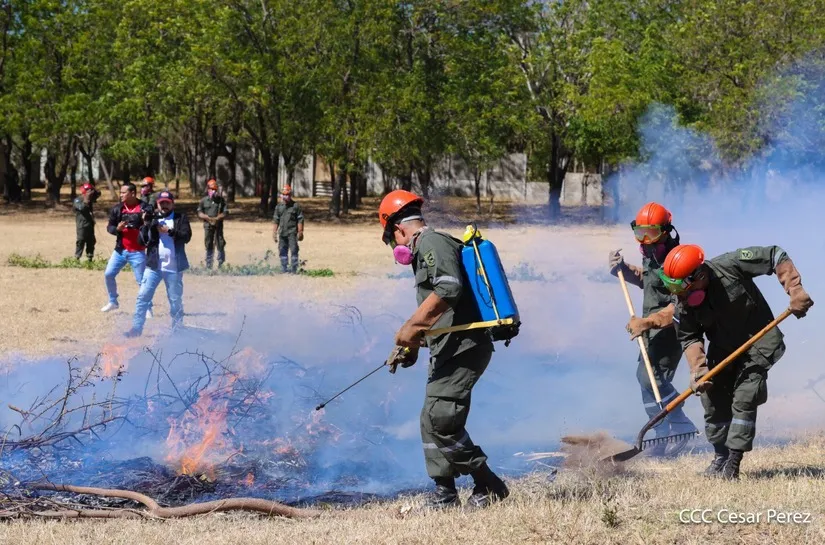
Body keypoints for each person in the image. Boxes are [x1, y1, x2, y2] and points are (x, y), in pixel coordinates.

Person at [379, 189, 509, 510]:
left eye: (391, 239)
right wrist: (413, 345)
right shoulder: (425, 249)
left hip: (466, 347)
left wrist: (409, 328)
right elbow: (443, 314)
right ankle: (445, 494)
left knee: (441, 419)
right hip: (449, 347)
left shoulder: (431, 243)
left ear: (398, 228)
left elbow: (450, 289)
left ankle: (488, 484)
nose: (395, 247)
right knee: (429, 419)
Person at [661, 244, 814, 480]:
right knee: (712, 398)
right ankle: (720, 456)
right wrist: (698, 369)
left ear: (700, 275)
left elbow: (775, 255)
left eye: (682, 286)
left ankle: (733, 462)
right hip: (723, 348)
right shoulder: (683, 300)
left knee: (745, 396)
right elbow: (689, 337)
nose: (678, 293)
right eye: (673, 286)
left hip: (758, 341)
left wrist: (795, 289)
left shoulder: (730, 265)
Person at [608, 202, 698, 456]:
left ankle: (680, 424)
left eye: (651, 234)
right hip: (650, 328)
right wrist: (623, 270)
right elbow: (649, 281)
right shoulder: (652, 255)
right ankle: (660, 431)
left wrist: (646, 322)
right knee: (644, 378)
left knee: (653, 378)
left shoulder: (678, 259)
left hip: (673, 328)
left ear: (667, 231)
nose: (645, 240)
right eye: (640, 233)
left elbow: (678, 305)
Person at [126, 191, 192, 337]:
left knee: (175, 301)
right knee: (143, 297)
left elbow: (186, 237)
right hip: (154, 267)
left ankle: (177, 330)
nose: (164, 206)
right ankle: (136, 329)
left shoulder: (181, 218)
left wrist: (169, 231)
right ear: (157, 204)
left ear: (172, 203)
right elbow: (141, 242)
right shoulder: (152, 219)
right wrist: (145, 224)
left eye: (167, 202)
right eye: (162, 203)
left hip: (174, 268)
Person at [102, 183, 153, 319]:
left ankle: (147, 308)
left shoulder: (144, 207)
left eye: (124, 193)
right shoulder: (117, 209)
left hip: (138, 252)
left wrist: (145, 220)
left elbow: (151, 222)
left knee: (141, 281)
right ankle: (113, 301)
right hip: (120, 251)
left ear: (132, 193)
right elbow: (110, 227)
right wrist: (117, 229)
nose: (121, 195)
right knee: (108, 274)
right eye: (120, 193)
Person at [197, 178, 228, 268]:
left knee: (220, 243)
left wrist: (218, 217)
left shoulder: (221, 201)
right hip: (208, 225)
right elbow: (199, 212)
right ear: (208, 189)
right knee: (208, 243)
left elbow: (225, 212)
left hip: (218, 225)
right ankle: (209, 264)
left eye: (215, 189)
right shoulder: (203, 201)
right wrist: (207, 217)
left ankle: (221, 264)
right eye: (211, 189)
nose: (213, 191)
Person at [272, 185, 304, 273]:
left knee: (294, 250)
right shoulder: (279, 207)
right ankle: (284, 269)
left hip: (292, 233)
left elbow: (300, 219)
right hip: (282, 233)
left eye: (287, 195)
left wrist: (300, 231)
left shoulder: (295, 206)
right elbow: (276, 220)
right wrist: (274, 232)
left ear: (290, 195)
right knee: (282, 251)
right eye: (283, 195)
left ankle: (294, 269)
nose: (285, 197)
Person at [73, 182, 100, 262]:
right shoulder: (78, 200)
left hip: (90, 224)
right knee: (81, 240)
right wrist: (86, 200)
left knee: (91, 241)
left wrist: (94, 191)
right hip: (81, 224)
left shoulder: (91, 199)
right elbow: (81, 208)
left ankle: (90, 258)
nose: (90, 192)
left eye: (90, 190)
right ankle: (77, 258)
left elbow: (98, 194)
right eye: (88, 190)